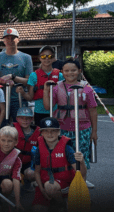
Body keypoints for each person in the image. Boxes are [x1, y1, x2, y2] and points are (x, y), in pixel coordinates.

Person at [43, 58, 97, 189]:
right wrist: (46, 90)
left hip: (82, 128)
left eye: (73, 70)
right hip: (62, 128)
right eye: (66, 70)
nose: (70, 73)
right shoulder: (56, 87)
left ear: (79, 71)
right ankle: (66, 179)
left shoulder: (87, 88)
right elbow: (47, 106)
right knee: (65, 154)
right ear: (62, 72)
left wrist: (94, 132)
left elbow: (93, 110)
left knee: (81, 154)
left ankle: (82, 179)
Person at [32, 117, 87, 212]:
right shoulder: (39, 149)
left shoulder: (67, 148)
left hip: (63, 184)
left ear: (58, 132)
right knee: (37, 211)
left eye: (53, 131)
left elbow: (82, 173)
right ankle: (52, 200)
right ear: (42, 133)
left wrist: (81, 161)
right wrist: (42, 190)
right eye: (46, 131)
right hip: (45, 184)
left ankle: (62, 204)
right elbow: (37, 172)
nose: (50, 134)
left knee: (50, 186)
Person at [0, 28, 33, 123]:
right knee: (1, 128)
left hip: (19, 98)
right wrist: (1, 81)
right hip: (0, 99)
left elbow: (29, 82)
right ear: (4, 41)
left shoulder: (26, 58)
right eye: (7, 38)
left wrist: (13, 77)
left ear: (18, 39)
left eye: (13, 38)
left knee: (20, 127)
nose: (10, 40)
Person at [16, 46, 64, 126]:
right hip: (39, 111)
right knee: (40, 135)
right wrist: (23, 93)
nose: (46, 59)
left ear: (53, 58)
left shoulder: (60, 75)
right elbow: (30, 97)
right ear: (39, 58)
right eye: (43, 56)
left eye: (50, 56)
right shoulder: (34, 75)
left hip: (56, 111)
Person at [13, 107, 40, 192]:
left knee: (31, 173)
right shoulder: (12, 130)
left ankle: (27, 182)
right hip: (13, 161)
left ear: (32, 119)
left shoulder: (38, 133)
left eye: (28, 118)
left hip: (28, 163)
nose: (25, 120)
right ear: (17, 118)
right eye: (22, 118)